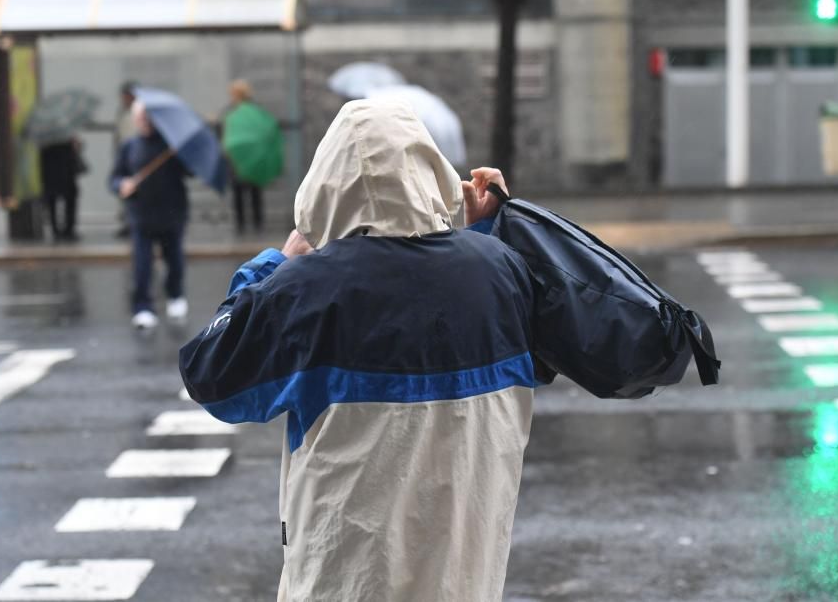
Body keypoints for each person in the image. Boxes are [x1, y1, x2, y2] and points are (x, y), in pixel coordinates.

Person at [179, 99, 546, 600]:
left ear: (326, 183)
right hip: (465, 577)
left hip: (347, 580)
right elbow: (532, 357)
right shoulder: (499, 269)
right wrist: (486, 230)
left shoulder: (307, 289)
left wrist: (275, 266)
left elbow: (212, 374)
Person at [109, 101, 189, 330]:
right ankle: (143, 307)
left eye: (147, 117)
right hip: (141, 215)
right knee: (142, 264)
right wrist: (121, 185)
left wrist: (180, 154)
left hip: (171, 213)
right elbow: (115, 178)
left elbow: (189, 172)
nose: (143, 121)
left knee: (174, 260)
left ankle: (175, 296)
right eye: (140, 117)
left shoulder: (170, 146)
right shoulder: (129, 146)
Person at [223, 79, 265, 234]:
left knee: (247, 192)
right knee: (247, 192)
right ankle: (251, 224)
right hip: (244, 158)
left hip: (242, 158)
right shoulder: (254, 111)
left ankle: (250, 225)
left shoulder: (233, 112)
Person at [40, 137, 83, 242]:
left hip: (59, 171)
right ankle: (64, 229)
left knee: (60, 200)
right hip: (59, 170)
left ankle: (63, 229)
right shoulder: (62, 134)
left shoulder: (47, 136)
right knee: (59, 200)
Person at [113, 81, 138, 239]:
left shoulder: (138, 113)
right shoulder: (121, 113)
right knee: (125, 191)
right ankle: (127, 222)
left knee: (134, 191)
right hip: (124, 157)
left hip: (135, 157)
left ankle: (132, 222)